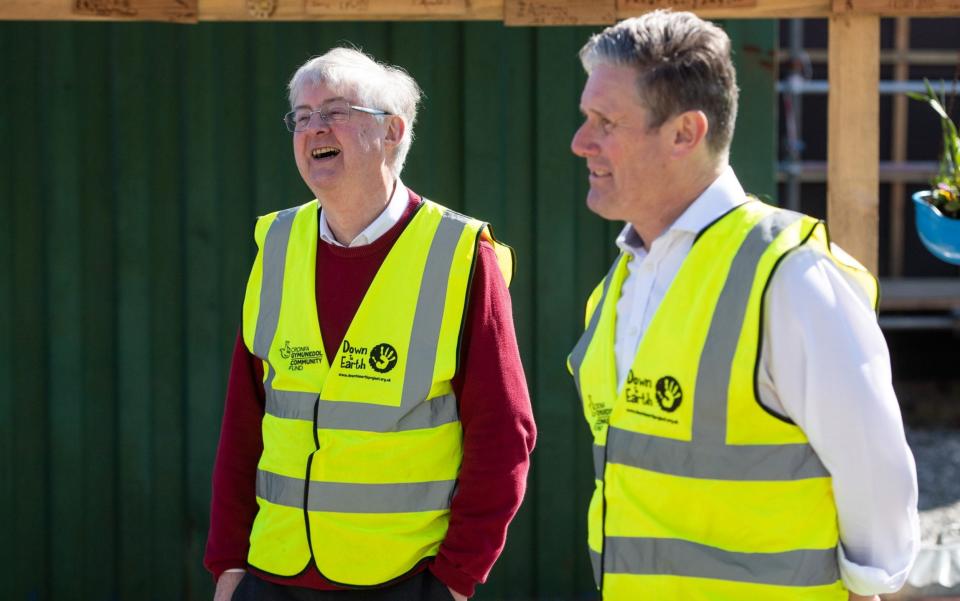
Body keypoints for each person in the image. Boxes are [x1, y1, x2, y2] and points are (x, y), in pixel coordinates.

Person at [566, 11, 918, 601]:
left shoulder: (792, 274)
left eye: (606, 122)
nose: (581, 142)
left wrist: (868, 587)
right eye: (585, 119)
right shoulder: (618, 285)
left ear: (685, 133)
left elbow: (875, 473)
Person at [205, 47, 536, 601]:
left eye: (334, 110)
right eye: (302, 116)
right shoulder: (276, 244)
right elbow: (245, 420)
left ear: (392, 132)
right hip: (270, 575)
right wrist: (228, 565)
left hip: (402, 580)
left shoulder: (459, 253)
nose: (314, 128)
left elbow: (505, 433)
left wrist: (456, 578)